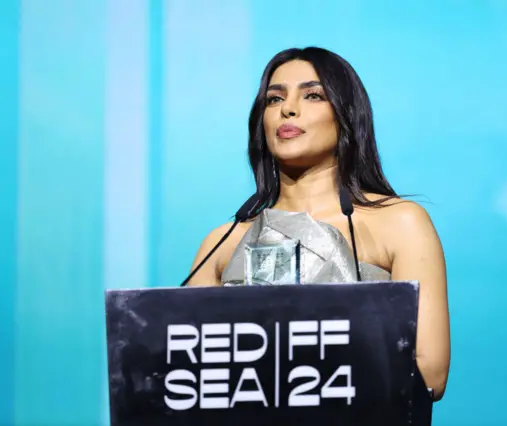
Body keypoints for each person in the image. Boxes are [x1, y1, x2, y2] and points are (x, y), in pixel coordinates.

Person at [187, 47, 450, 404]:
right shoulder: (222, 243)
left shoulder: (399, 222)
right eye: (273, 99)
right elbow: (190, 375)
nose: (287, 109)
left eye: (312, 95)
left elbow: (429, 374)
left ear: (346, 116)